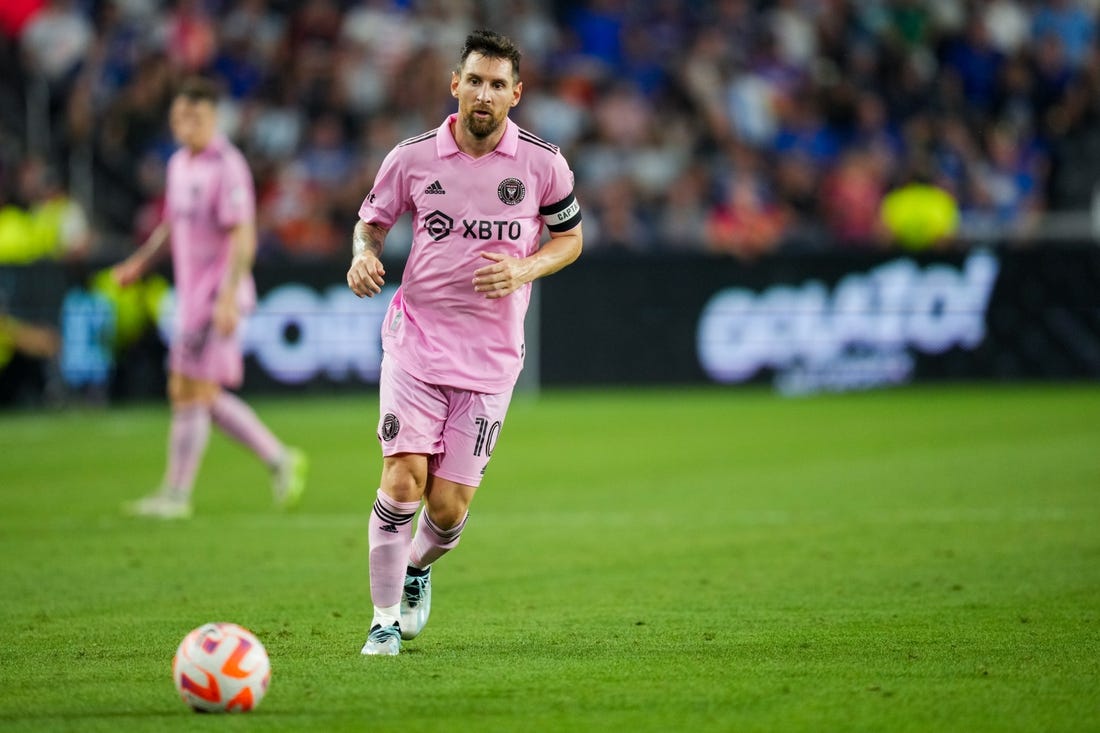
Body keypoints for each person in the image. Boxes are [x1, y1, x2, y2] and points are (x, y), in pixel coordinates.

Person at [346, 29, 583, 656]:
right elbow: (370, 225)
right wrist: (362, 258)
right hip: (416, 342)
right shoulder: (412, 157)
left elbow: (570, 239)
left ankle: (418, 565)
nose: (484, 94)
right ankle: (383, 620)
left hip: (491, 359)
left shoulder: (543, 163)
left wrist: (523, 268)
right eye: (474, 80)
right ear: (455, 85)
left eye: (498, 84)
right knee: (402, 479)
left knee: (446, 509)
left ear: (516, 94)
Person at [112, 77, 307, 519]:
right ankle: (280, 459)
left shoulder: (228, 166)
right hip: (192, 294)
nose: (187, 125)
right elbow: (170, 225)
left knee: (188, 389)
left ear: (213, 118)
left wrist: (225, 297)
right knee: (198, 390)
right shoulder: (180, 164)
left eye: (196, 117)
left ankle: (176, 496)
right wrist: (139, 264)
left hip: (217, 293)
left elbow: (243, 236)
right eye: (180, 117)